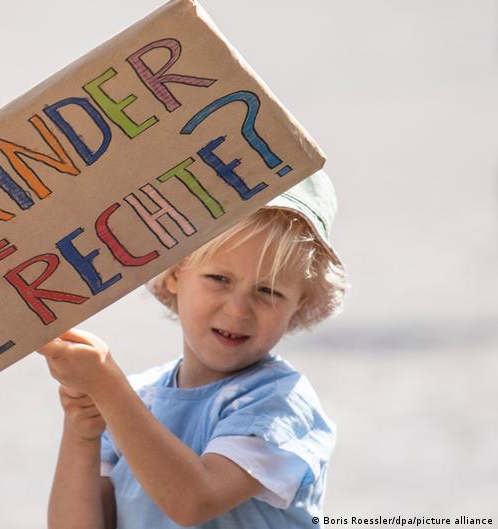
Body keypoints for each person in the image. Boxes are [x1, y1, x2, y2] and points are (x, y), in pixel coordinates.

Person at [37, 170, 348, 529]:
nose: (237, 310)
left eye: (269, 291)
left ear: (300, 303)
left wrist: (106, 386)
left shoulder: (280, 405)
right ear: (175, 272)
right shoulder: (136, 399)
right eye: (219, 279)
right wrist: (81, 431)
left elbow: (194, 502)